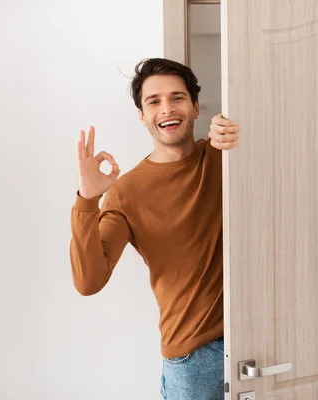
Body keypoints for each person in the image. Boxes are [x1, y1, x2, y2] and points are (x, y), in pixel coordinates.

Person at [69, 58, 240, 399]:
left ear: (194, 106)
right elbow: (89, 282)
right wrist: (88, 199)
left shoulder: (225, 156)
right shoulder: (126, 192)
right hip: (193, 360)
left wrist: (237, 127)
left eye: (177, 98)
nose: (167, 108)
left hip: (259, 341)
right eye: (154, 101)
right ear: (142, 116)